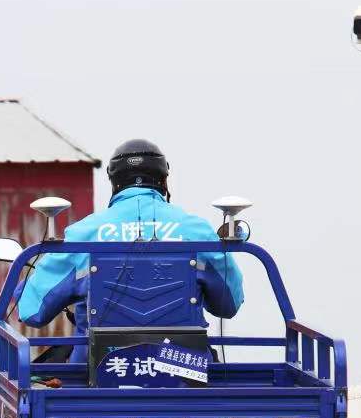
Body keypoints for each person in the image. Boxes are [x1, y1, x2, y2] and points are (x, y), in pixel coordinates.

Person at [16, 140, 244, 347]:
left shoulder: (83, 233)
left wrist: (25, 286)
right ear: (164, 181)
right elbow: (229, 304)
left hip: (96, 371)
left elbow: (31, 311)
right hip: (187, 368)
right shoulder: (198, 231)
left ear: (114, 182)